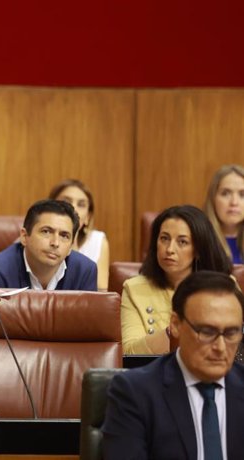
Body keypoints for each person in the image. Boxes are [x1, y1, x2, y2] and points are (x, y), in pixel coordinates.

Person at [103, 270, 244, 459]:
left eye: (231, 333)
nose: (220, 347)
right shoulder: (134, 393)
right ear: (176, 325)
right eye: (207, 331)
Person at [121, 205, 232, 355]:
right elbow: (130, 352)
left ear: (198, 249)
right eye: (164, 239)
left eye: (182, 242)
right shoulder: (134, 289)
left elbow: (235, 345)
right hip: (157, 374)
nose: (170, 249)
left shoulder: (224, 287)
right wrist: (172, 332)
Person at [0, 199, 98, 291]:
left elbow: (88, 325)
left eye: (64, 236)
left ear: (71, 246)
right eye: (46, 232)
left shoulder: (85, 271)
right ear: (24, 236)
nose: (55, 243)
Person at [49, 179, 110, 290]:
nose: (73, 208)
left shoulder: (97, 241)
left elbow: (101, 292)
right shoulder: (33, 237)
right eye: (66, 201)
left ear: (88, 217)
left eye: (81, 205)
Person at [204, 164, 244, 264]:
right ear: (213, 198)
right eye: (225, 193)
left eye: (242, 194)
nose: (234, 202)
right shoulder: (198, 240)